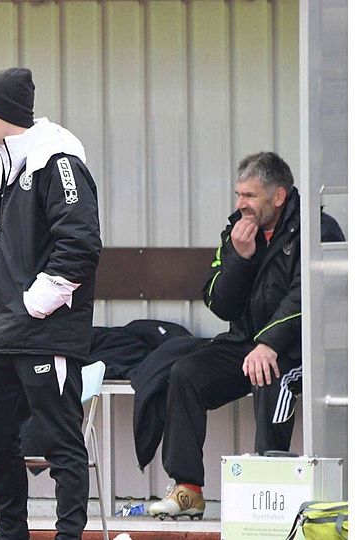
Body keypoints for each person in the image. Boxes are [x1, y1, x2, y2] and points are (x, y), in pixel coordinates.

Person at [0, 68, 101, 539]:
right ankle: (12, 533)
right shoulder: (7, 165)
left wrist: (38, 303)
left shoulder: (59, 161)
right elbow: (9, 242)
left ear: (9, 112)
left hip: (44, 330)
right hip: (0, 332)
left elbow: (80, 245)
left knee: (60, 442)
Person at [148, 152, 305, 519]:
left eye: (249, 195)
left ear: (278, 196)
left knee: (269, 376)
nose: (240, 204)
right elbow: (220, 303)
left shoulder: (314, 228)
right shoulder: (237, 232)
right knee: (186, 373)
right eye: (238, 194)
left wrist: (270, 343)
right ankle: (188, 490)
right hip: (245, 343)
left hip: (298, 349)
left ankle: (268, 491)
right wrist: (240, 258)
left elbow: (307, 295)